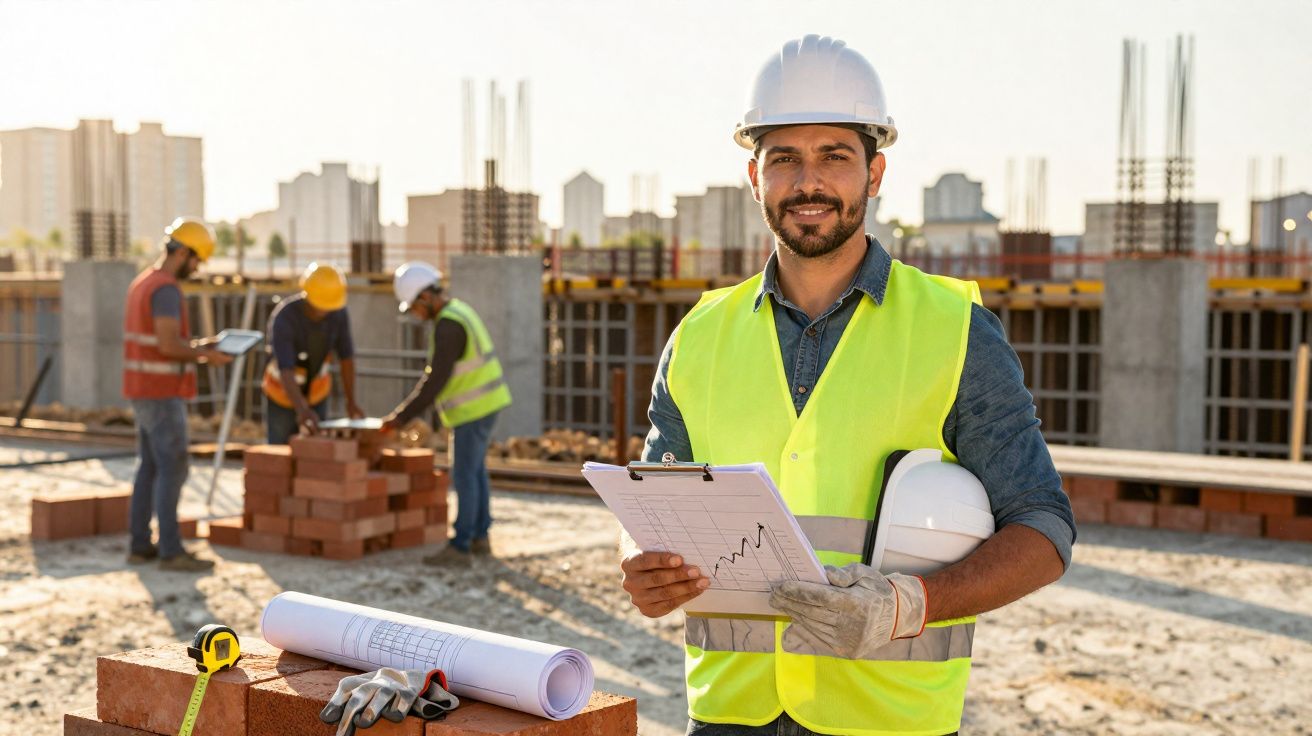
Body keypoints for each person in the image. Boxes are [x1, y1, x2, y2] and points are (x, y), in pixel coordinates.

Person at [619, 36, 1076, 736]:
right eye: (785, 159)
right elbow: (651, 504)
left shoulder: (956, 329)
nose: (810, 182)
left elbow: (1044, 530)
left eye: (835, 155)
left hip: (888, 718)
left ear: (875, 172)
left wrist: (907, 605)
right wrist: (641, 568)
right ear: (754, 175)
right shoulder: (700, 336)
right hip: (728, 714)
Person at [381, 261, 512, 563]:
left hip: (473, 410)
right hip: (487, 405)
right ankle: (480, 537)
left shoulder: (448, 325)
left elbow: (434, 382)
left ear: (425, 297)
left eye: (414, 307)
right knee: (475, 472)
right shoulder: (459, 311)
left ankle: (462, 545)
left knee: (465, 475)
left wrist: (400, 418)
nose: (415, 314)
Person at [122, 216, 233, 572]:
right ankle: (170, 550)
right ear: (182, 252)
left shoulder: (144, 282)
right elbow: (168, 345)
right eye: (196, 259)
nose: (197, 267)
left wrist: (202, 345)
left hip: (142, 389)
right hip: (160, 392)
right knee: (173, 467)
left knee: (149, 467)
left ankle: (141, 545)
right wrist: (205, 354)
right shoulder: (166, 289)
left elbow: (161, 342)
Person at [262, 262, 363, 444]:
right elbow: (286, 368)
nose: (323, 311)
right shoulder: (285, 317)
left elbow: (346, 359)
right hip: (282, 395)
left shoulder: (338, 314)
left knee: (317, 454)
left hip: (317, 393)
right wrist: (302, 410)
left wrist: (351, 402)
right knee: (279, 454)